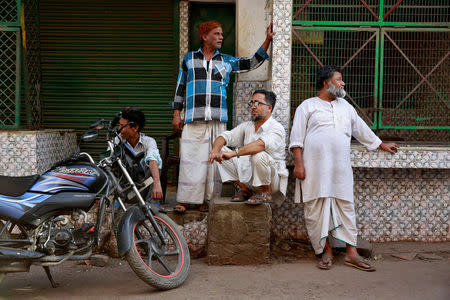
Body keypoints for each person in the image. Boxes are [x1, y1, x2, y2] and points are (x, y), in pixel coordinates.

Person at [289, 65, 399, 271]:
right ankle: (325, 251)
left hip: (340, 168)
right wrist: (299, 164)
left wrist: (381, 144)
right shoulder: (308, 106)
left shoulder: (346, 107)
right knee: (315, 209)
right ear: (326, 82)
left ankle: (351, 253)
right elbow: (296, 138)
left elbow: (361, 129)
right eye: (339, 79)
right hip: (314, 168)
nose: (343, 83)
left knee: (346, 208)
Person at [171, 20, 275, 213]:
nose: (221, 37)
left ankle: (206, 201)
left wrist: (267, 40)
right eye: (217, 34)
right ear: (204, 36)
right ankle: (185, 200)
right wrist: (177, 113)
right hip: (193, 117)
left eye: (221, 34)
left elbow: (251, 62)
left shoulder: (226, 60)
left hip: (218, 119)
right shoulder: (189, 59)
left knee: (212, 163)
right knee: (190, 160)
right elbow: (180, 88)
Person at [208, 90, 288, 205]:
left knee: (259, 155)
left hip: (272, 181)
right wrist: (215, 151)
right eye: (252, 103)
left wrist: (234, 153)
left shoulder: (276, 127)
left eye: (258, 103)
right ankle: (246, 190)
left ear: (269, 108)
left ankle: (265, 192)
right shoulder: (248, 126)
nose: (253, 107)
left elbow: (260, 145)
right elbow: (225, 136)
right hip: (250, 177)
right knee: (221, 151)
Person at [117, 107, 163, 202]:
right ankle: (116, 203)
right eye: (119, 125)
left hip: (142, 191)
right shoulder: (116, 141)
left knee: (154, 163)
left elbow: (153, 159)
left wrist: (157, 184)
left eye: (123, 126)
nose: (119, 129)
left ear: (135, 128)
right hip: (124, 193)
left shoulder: (149, 141)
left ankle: (152, 205)